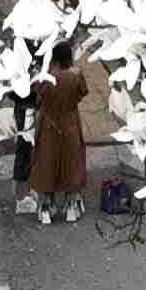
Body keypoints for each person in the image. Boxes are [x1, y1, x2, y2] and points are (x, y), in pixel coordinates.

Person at [22, 40, 97, 224]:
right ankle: (71, 207)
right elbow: (82, 93)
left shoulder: (46, 78)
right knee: (71, 164)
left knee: (46, 164)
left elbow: (35, 97)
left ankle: (46, 207)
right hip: (70, 123)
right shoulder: (76, 75)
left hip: (49, 125)